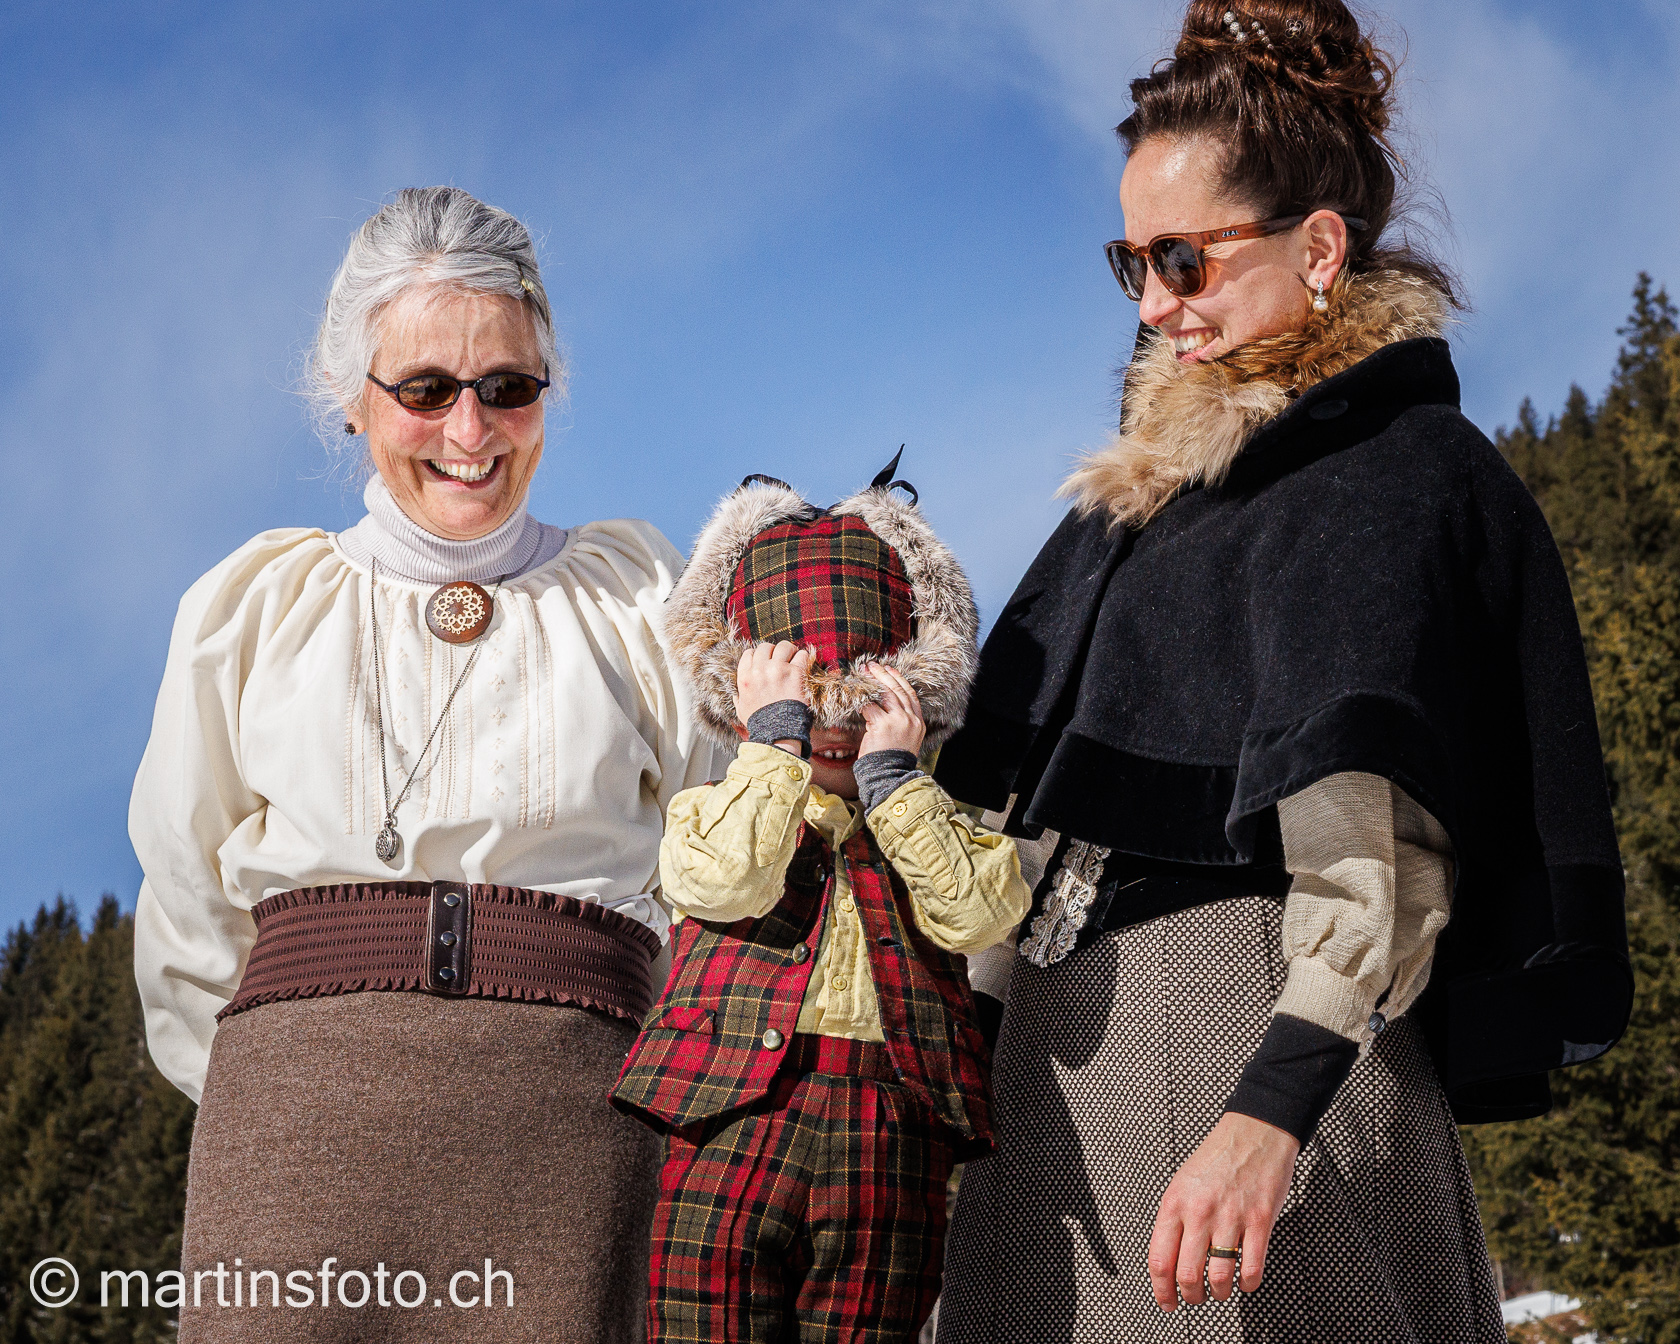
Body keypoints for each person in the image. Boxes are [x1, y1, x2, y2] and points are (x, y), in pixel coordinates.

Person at [928, 3, 1633, 1340]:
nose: (1153, 305)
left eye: (1183, 259)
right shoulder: (1142, 509)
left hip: (1240, 1036)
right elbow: (1027, 820)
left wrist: (1270, 1111)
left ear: (1318, 250)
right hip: (1051, 1072)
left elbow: (1373, 852)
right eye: (1130, 262)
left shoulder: (1383, 473)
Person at [130, 186, 726, 1342]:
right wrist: (267, 1092)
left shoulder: (642, 600)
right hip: (294, 1137)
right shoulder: (254, 608)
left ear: (546, 388)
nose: (470, 431)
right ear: (352, 398)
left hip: (580, 1137)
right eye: (425, 390)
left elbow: (723, 882)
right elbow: (186, 898)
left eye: (506, 387)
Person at [609, 470, 1031, 1341]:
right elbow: (721, 883)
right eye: (806, 711)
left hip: (893, 1136)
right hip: (723, 1122)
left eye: (863, 708)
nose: (832, 730)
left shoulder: (933, 820)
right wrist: (775, 745)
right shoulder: (714, 806)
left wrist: (895, 780)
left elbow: (982, 917)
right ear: (745, 708)